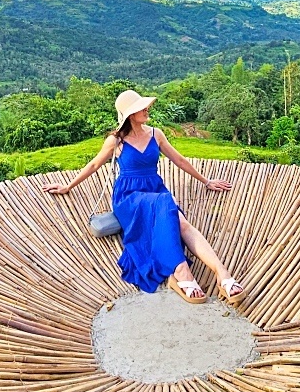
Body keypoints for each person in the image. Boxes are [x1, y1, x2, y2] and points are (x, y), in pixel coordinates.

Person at [41, 89, 245, 304]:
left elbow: (179, 160)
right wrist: (67, 186)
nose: (147, 109)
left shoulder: (156, 134)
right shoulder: (116, 141)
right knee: (167, 202)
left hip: (155, 188)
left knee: (182, 223)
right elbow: (94, 164)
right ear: (130, 114)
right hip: (129, 197)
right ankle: (181, 271)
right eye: (141, 107)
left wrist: (206, 181)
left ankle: (223, 274)